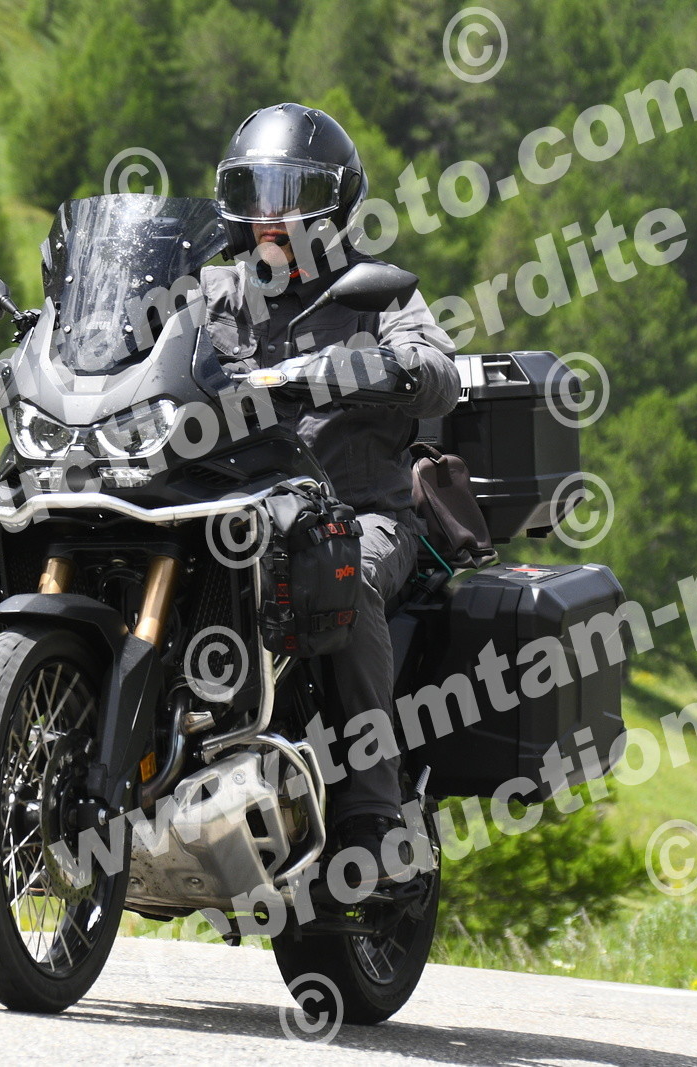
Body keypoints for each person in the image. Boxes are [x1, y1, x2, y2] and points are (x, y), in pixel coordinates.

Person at [202, 103, 460, 879]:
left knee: (340, 571)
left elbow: (439, 369)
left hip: (359, 511)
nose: (270, 214)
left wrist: (387, 365)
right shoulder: (214, 291)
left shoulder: (373, 293)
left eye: (290, 195)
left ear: (333, 203)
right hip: (230, 506)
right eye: (254, 192)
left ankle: (374, 811)